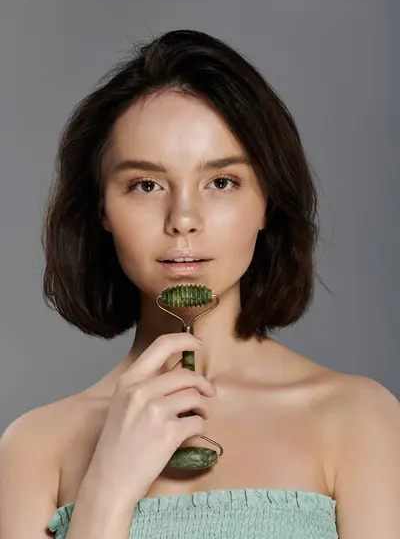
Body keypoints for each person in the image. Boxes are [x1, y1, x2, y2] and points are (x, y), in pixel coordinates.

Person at [0, 30, 399, 539]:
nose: (183, 219)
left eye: (221, 182)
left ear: (267, 202)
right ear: (101, 208)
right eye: (146, 185)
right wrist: (108, 486)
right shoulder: (35, 448)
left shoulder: (357, 419)